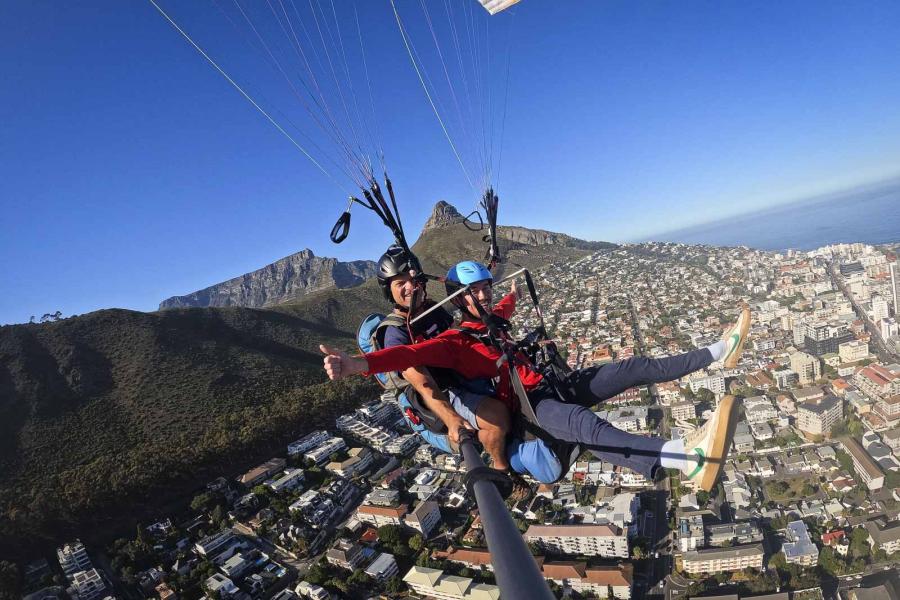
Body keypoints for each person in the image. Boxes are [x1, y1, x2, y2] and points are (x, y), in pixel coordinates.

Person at [324, 259, 750, 492]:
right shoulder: (457, 342)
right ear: (460, 300)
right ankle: (685, 457)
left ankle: (716, 352)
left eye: (486, 288)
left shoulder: (494, 318)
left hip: (550, 382)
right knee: (585, 426)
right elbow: (408, 353)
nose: (484, 295)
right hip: (531, 406)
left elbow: (505, 305)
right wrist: (356, 365)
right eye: (474, 292)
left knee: (631, 368)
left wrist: (503, 286)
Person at [371, 246, 535, 499]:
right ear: (389, 291)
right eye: (400, 283)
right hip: (439, 393)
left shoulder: (432, 311)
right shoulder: (395, 332)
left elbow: (469, 332)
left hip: (458, 378)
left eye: (413, 280)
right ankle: (503, 471)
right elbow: (421, 381)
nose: (409, 287)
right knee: (498, 416)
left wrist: (511, 299)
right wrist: (451, 420)